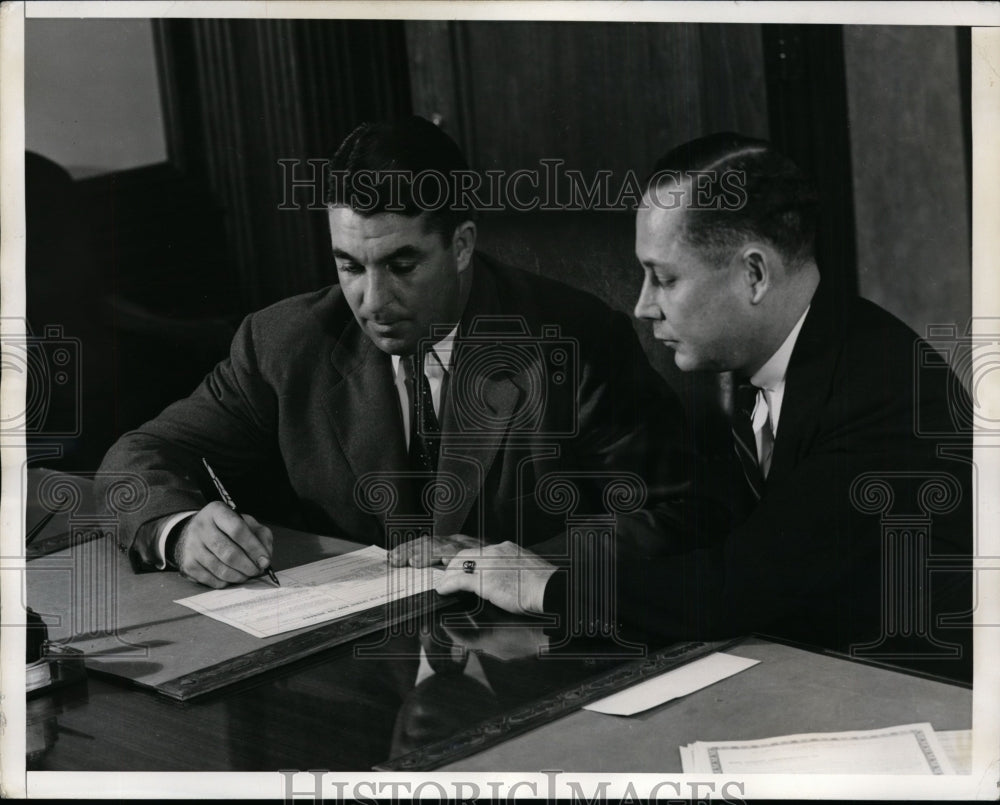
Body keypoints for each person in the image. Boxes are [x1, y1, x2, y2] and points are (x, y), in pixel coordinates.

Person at [97, 116, 707, 595]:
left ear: (462, 245)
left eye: (402, 265)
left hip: (521, 651)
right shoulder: (284, 342)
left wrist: (518, 563)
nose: (373, 300)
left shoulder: (574, 339)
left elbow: (678, 512)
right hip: (352, 668)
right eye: (349, 267)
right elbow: (137, 456)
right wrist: (177, 533)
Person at [440, 133, 972, 681]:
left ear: (755, 274)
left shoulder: (881, 393)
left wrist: (542, 585)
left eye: (664, 278)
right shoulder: (772, 357)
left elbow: (735, 588)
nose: (644, 307)